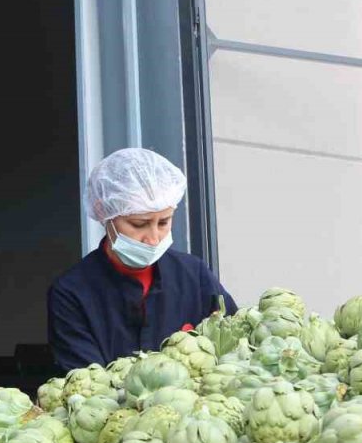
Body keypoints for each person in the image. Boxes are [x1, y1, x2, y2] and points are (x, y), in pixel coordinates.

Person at [48, 147, 237, 372]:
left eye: (163, 222)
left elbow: (235, 339)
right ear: (103, 212)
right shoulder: (71, 292)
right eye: (139, 224)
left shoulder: (193, 274)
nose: (153, 238)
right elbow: (89, 381)